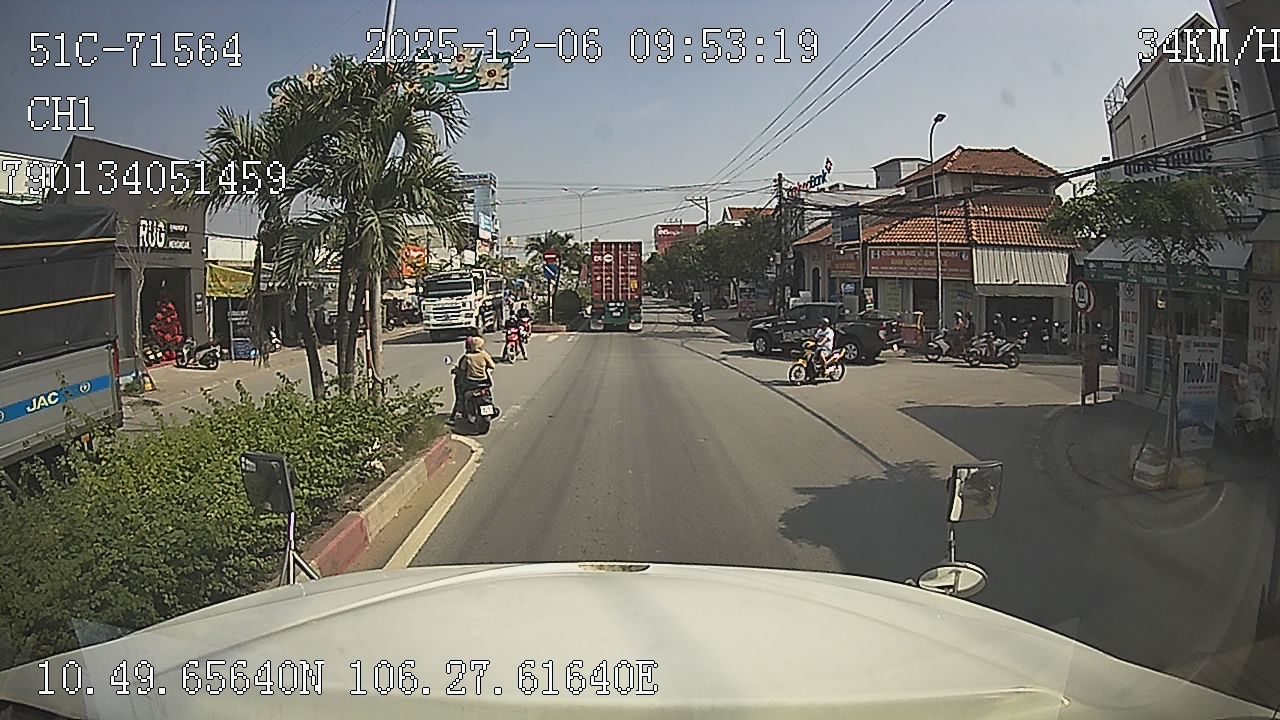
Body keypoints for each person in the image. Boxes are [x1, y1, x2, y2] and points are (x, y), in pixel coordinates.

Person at [451, 335, 497, 421]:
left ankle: (460, 412)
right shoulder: (484, 354)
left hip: (471, 382)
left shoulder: (467, 357)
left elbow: (462, 369)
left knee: (461, 395)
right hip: (484, 381)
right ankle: (491, 408)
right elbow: (492, 365)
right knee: (488, 395)